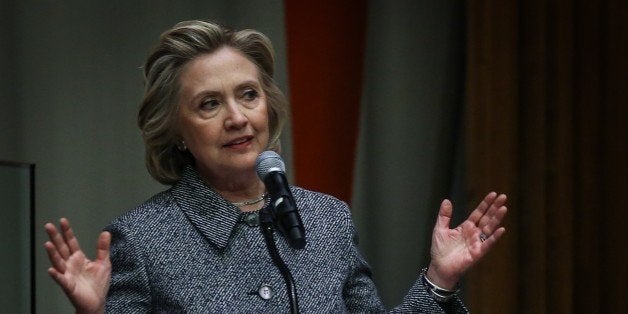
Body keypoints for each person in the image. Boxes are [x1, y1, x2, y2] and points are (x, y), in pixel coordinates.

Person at [44, 20, 508, 313]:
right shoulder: (144, 240)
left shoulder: (328, 220)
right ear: (178, 133)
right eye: (209, 104)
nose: (237, 117)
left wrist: (439, 279)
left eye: (248, 95)